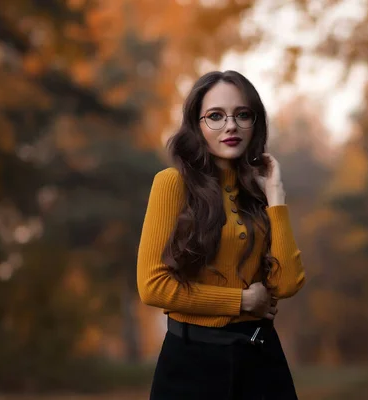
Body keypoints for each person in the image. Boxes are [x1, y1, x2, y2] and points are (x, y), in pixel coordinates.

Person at [136, 70, 306, 400]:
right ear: (196, 125)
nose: (231, 125)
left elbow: (287, 284)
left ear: (255, 123)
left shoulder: (259, 194)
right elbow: (152, 286)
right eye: (215, 116)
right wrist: (241, 301)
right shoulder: (172, 184)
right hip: (191, 363)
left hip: (262, 358)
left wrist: (276, 197)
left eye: (242, 115)